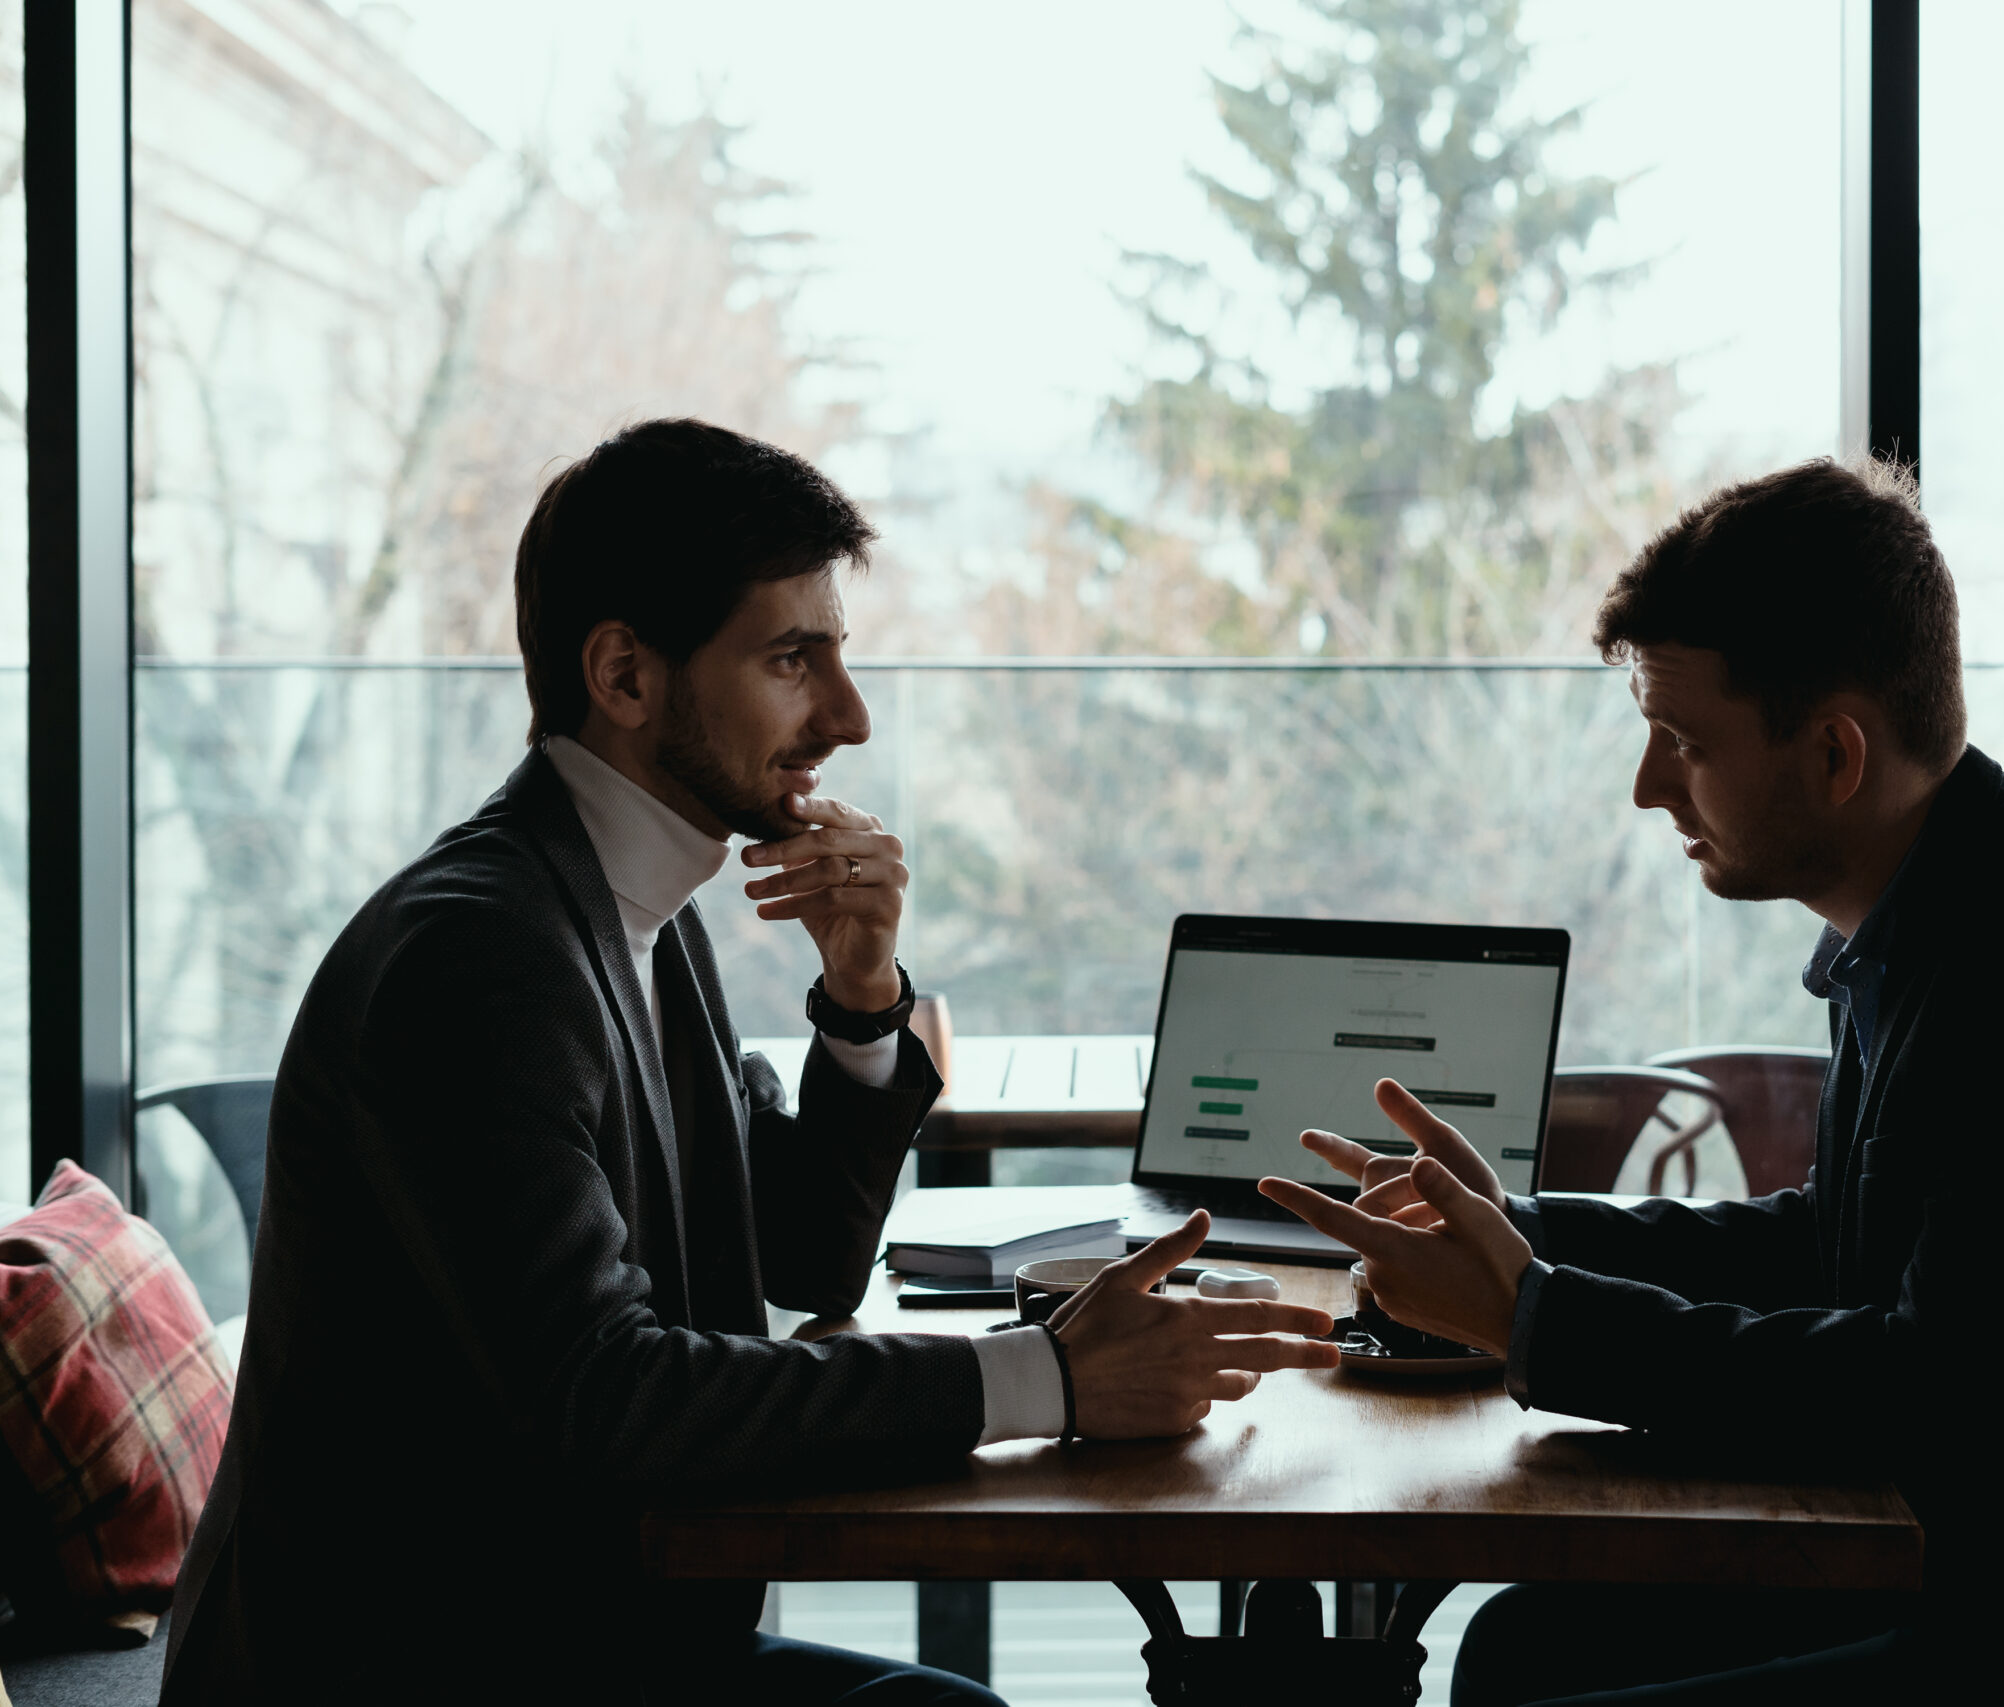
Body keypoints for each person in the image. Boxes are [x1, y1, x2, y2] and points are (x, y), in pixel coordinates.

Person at [164, 419, 1339, 1704]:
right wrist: (1049, 1377)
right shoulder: (480, 957)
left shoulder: (629, 907)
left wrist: (859, 994)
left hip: (589, 1632)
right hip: (420, 1663)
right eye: (793, 658)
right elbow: (607, 1395)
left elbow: (795, 1260)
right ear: (623, 673)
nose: (849, 714)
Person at [1261, 459, 2004, 1705]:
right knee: (1518, 1651)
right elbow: (1840, 1246)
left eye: (1684, 741)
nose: (1650, 787)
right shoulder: (1949, 912)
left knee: (1527, 1674)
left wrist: (1534, 1320)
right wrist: (1519, 1243)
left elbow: (1925, 1394)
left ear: (1832, 756)